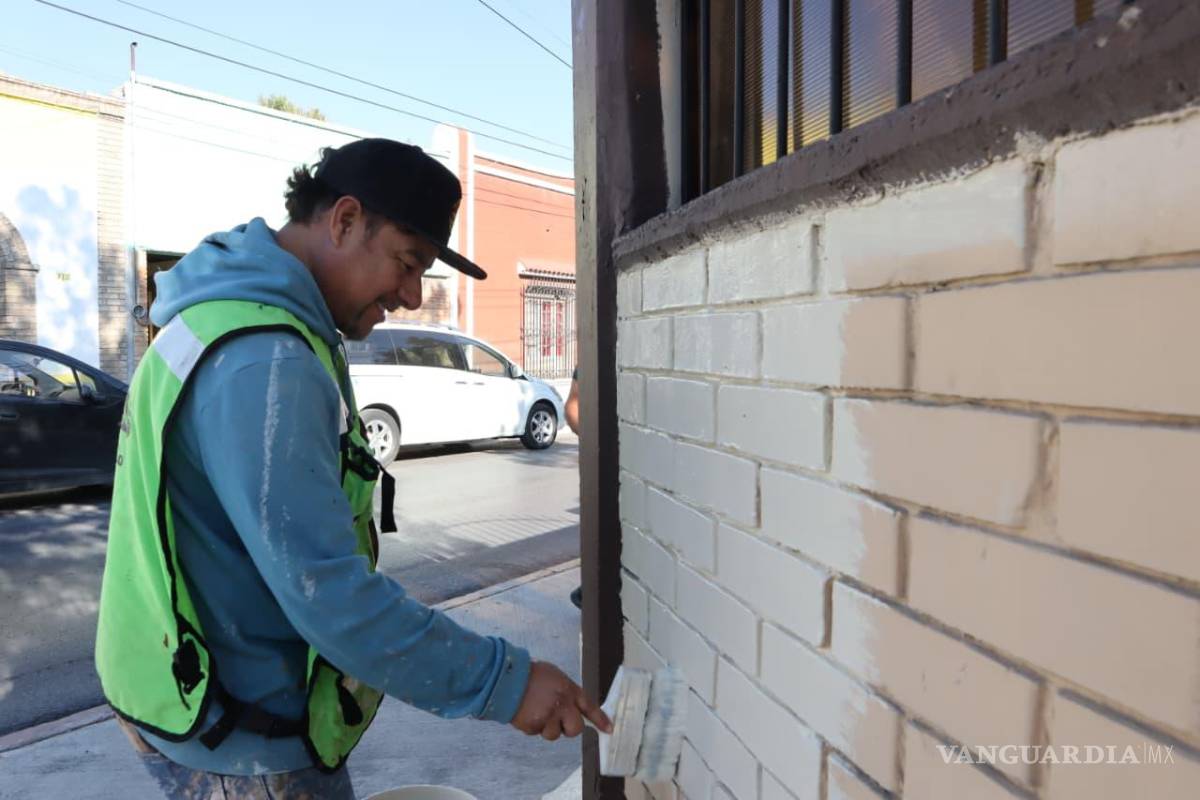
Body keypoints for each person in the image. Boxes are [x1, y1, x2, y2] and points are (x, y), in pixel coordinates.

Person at [94, 138, 609, 799]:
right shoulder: (265, 362)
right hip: (238, 732)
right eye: (406, 261)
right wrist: (504, 681)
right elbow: (329, 596)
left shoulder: (220, 313)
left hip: (170, 681)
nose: (414, 295)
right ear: (343, 220)